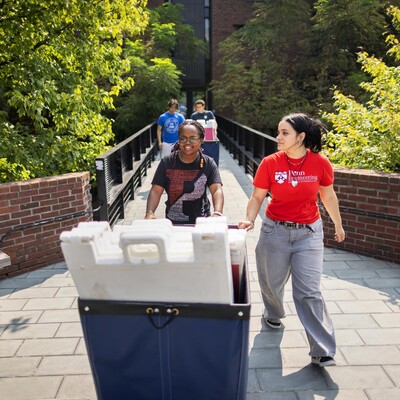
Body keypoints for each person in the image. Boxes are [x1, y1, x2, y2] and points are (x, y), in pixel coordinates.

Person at [238, 113, 345, 368]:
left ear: (301, 137)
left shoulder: (320, 163)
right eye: (278, 132)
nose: (278, 137)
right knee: (271, 285)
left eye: (284, 133)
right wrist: (250, 219)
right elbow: (257, 197)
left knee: (309, 291)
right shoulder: (270, 163)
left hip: (308, 233)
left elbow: (328, 197)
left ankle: (322, 349)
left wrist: (338, 225)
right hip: (275, 231)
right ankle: (273, 314)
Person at [145, 120, 224, 224]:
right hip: (172, 224)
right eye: (183, 138)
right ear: (178, 139)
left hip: (202, 223)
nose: (187, 142)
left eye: (192, 138)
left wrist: (217, 213)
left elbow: (216, 190)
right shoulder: (167, 162)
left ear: (201, 140)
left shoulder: (208, 163)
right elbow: (156, 191)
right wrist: (149, 213)